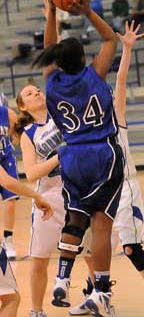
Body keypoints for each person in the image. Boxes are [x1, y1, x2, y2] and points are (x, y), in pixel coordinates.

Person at [32, 0, 125, 317]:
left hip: (72, 157)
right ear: (83, 59)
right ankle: (100, 291)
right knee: (101, 225)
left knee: (76, 218)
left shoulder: (52, 83)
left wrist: (53, 16)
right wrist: (85, 10)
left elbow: (47, 49)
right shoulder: (95, 73)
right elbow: (110, 39)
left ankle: (62, 280)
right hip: (103, 152)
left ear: (57, 61)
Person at [69, 21, 144, 317]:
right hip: (98, 191)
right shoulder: (85, 125)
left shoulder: (116, 115)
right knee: (92, 249)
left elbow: (122, 81)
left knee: (131, 249)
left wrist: (125, 49)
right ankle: (99, 299)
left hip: (125, 187)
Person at [15, 85, 65, 317]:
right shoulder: (28, 134)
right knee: (39, 259)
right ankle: (36, 311)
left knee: (89, 251)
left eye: (37, 90)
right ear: (22, 107)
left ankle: (94, 296)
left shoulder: (63, 115)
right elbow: (32, 173)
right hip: (49, 197)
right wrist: (58, 157)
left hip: (77, 190)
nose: (36, 93)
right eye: (29, 94)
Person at [0, 105, 53, 317]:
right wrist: (36, 195)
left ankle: (9, 239)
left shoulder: (8, 114)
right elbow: (6, 181)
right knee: (12, 299)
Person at [0, 93, 18, 260]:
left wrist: (12, 144)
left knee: (10, 201)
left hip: (5, 158)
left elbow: (18, 129)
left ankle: (8, 240)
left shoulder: (5, 110)